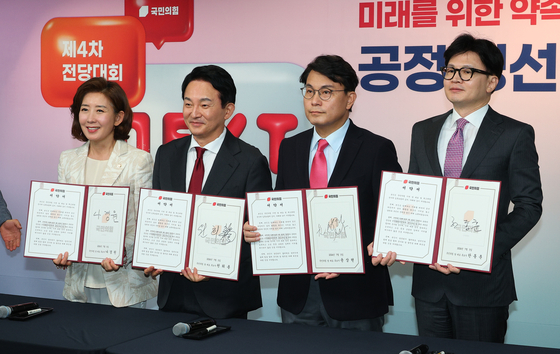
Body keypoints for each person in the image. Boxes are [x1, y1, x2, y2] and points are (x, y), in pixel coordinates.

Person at [245, 55, 402, 331]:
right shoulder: (290, 148)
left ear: (350, 99)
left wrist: (382, 243)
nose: (315, 100)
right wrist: (258, 229)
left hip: (356, 292)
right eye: (309, 91)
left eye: (326, 92)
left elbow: (393, 216)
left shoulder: (376, 148)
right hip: (298, 293)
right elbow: (281, 206)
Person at [408, 33, 543, 343]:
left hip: (482, 285)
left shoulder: (515, 134)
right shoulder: (423, 130)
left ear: (492, 82)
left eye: (467, 71)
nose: (455, 78)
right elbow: (414, 193)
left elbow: (528, 206)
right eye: (449, 70)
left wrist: (478, 251)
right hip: (428, 283)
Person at [145, 65, 272, 319]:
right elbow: (160, 217)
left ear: (228, 110)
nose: (194, 113)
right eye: (188, 104)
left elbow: (259, 235)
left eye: (204, 105)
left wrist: (215, 265)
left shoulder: (250, 161)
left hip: (224, 299)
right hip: (173, 294)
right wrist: (153, 252)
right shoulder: (166, 154)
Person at [53, 77, 158, 308]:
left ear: (118, 117)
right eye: (84, 109)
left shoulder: (138, 160)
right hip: (80, 283)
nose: (90, 118)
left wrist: (121, 252)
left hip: (124, 284)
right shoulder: (68, 160)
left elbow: (146, 222)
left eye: (100, 110)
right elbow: (64, 217)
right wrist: (59, 248)